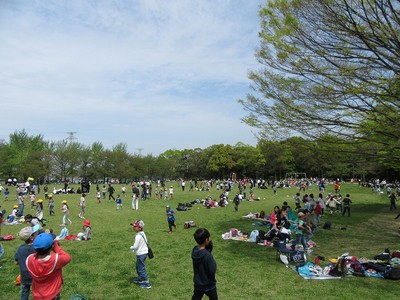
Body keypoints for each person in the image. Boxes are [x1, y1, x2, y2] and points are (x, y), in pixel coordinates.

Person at [26, 233, 71, 300]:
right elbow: (67, 257)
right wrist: (56, 247)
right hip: (52, 295)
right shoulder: (54, 260)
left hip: (37, 295)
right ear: (51, 247)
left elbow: (37, 255)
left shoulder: (29, 259)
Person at [14, 224, 40, 300]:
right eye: (35, 233)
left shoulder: (19, 249)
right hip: (35, 275)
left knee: (24, 292)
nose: (37, 234)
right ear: (32, 238)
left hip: (24, 276)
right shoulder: (36, 248)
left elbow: (16, 261)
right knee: (38, 292)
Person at [191, 228, 217, 300]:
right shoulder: (207, 255)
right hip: (209, 284)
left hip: (198, 283)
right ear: (206, 240)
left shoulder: (194, 250)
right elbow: (212, 270)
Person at [129, 220, 151, 289]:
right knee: (138, 266)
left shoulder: (138, 236)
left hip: (141, 254)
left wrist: (131, 248)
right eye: (134, 226)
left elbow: (135, 246)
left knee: (141, 268)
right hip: (144, 253)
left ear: (140, 228)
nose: (134, 227)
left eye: (135, 226)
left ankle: (147, 283)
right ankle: (140, 278)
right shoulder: (142, 233)